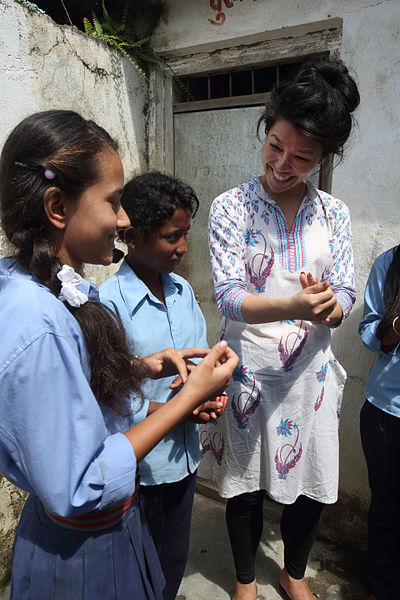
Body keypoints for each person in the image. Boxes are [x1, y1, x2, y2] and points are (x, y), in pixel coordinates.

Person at [0, 110, 238, 600]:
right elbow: (81, 485)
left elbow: (71, 387)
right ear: (57, 207)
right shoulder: (39, 322)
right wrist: (186, 396)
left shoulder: (51, 292)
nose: (124, 219)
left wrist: (137, 367)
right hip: (83, 549)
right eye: (113, 202)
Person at [199, 58, 360, 600]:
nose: (283, 165)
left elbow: (347, 295)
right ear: (266, 127)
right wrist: (294, 304)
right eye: (275, 146)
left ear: (325, 157)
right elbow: (228, 297)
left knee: (310, 487)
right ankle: (245, 581)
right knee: (244, 487)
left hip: (311, 378)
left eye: (303, 158)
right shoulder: (229, 208)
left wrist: (330, 309)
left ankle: (293, 574)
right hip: (248, 371)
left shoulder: (334, 215)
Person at [100, 171, 228, 600]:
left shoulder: (183, 291)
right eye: (172, 237)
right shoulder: (108, 305)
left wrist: (210, 397)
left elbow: (201, 361)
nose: (184, 248)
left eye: (185, 234)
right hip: (140, 470)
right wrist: (176, 410)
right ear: (133, 237)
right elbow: (108, 396)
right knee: (136, 567)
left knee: (172, 561)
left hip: (184, 460)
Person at [359, 246, 400, 600]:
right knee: (387, 510)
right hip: (388, 412)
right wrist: (399, 321)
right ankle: (382, 589)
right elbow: (370, 332)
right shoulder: (389, 263)